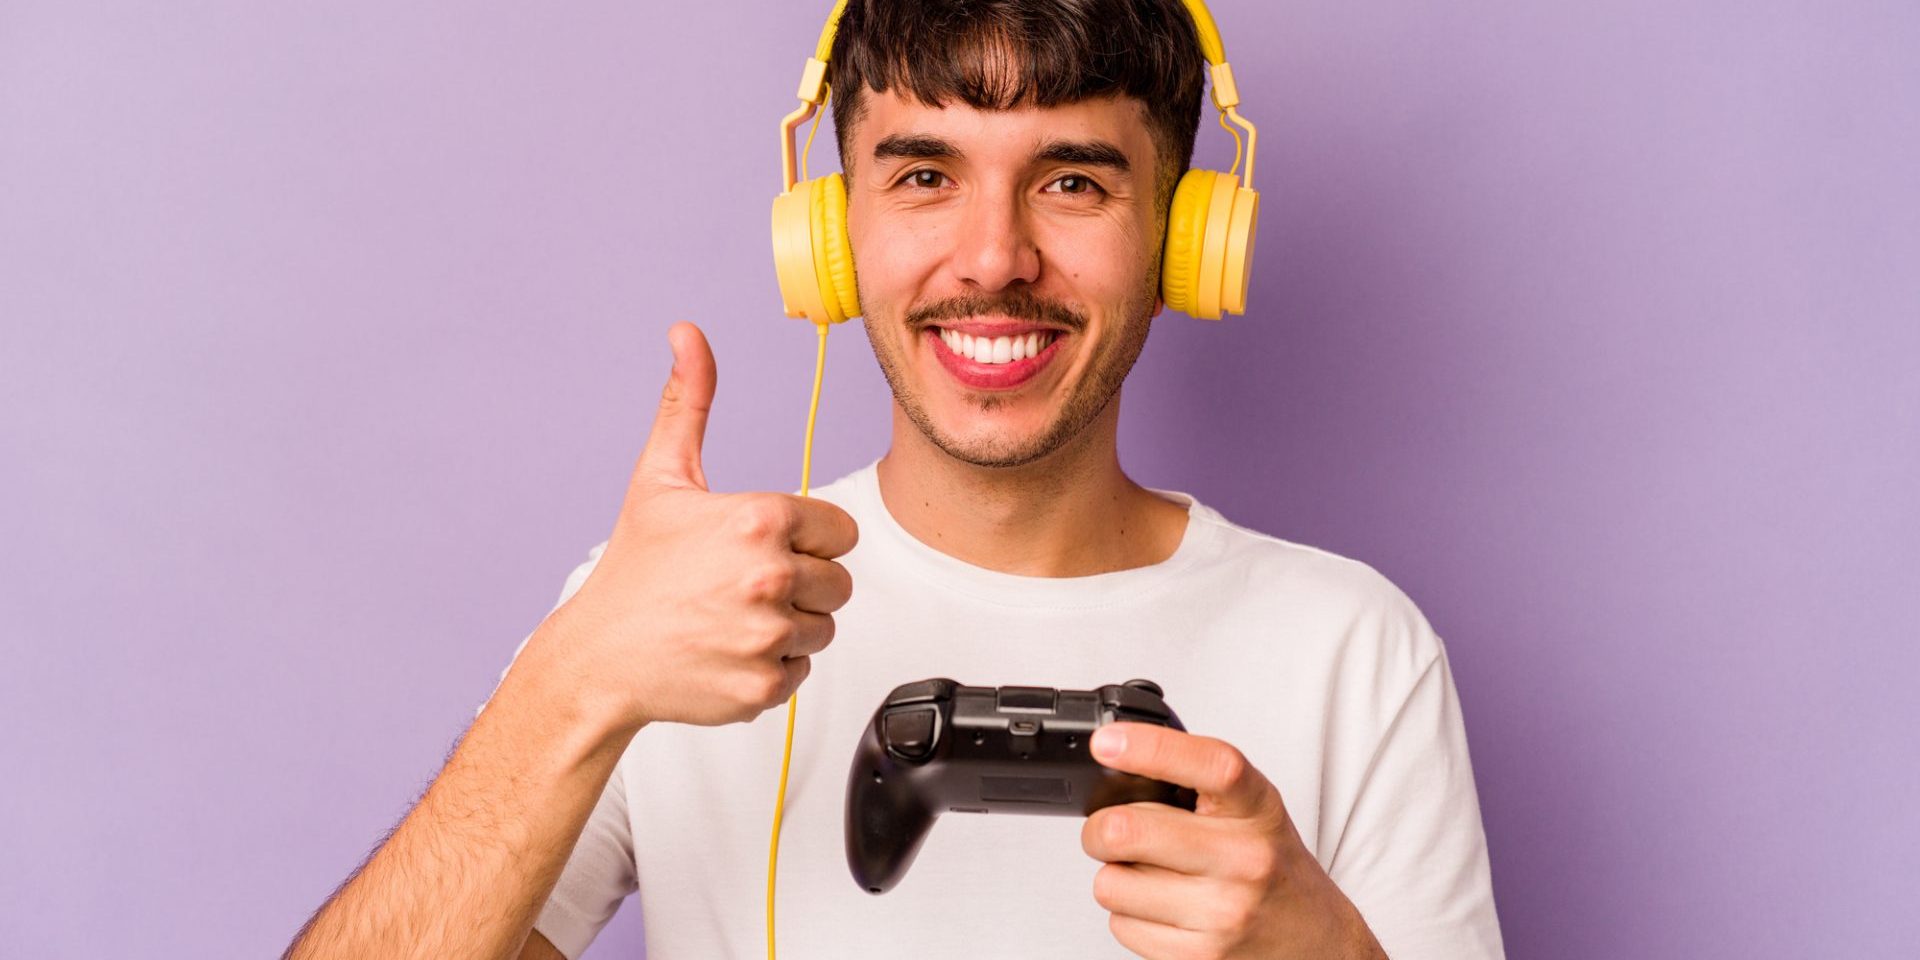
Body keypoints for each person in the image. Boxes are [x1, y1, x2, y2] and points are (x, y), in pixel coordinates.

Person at [284, 1, 1503, 957]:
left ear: (1185, 233)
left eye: (1073, 180)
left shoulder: (1354, 648)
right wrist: (571, 685)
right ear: (829, 233)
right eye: (925, 174)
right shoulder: (659, 618)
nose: (993, 257)